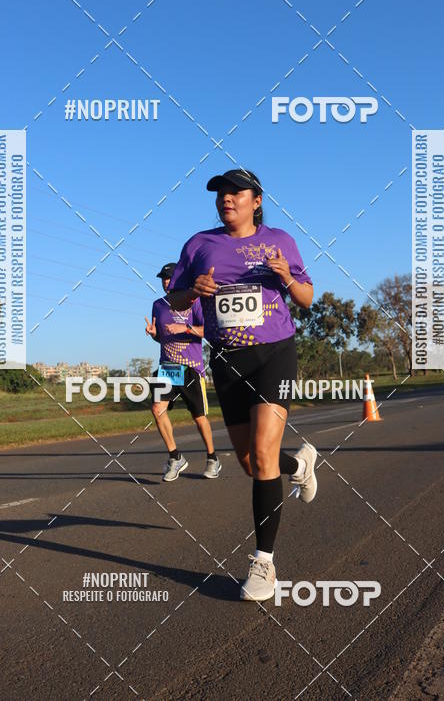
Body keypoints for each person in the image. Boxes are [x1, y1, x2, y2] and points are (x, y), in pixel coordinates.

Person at [167, 169, 315, 602]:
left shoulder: (280, 240)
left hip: (275, 354)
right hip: (227, 361)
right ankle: (301, 466)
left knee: (265, 453)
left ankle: (264, 564)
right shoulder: (198, 244)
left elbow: (306, 298)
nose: (226, 199)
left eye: (236, 192)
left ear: (257, 200)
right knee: (252, 463)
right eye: (220, 193)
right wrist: (193, 291)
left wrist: (286, 275)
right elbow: (173, 301)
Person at [145, 263, 221, 481]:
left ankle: (213, 458)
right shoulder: (158, 305)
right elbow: (162, 336)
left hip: (190, 367)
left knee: (199, 417)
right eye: (163, 278)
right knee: (157, 408)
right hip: (168, 367)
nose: (165, 281)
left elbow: (209, 331)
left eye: (169, 277)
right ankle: (175, 456)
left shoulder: (194, 302)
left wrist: (186, 328)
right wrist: (153, 334)